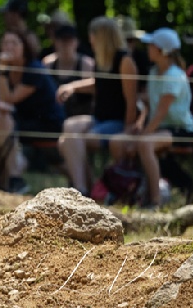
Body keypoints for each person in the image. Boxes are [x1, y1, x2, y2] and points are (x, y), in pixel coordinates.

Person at [109, 28, 193, 207]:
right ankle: (128, 190)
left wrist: (141, 137)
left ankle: (155, 201)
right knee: (117, 141)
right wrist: (139, 124)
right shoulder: (154, 72)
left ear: (162, 50)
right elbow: (150, 107)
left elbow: (161, 112)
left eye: (151, 46)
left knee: (145, 144)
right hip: (159, 129)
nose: (147, 49)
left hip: (181, 130)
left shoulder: (174, 76)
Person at [55, 17, 140, 196]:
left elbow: (132, 100)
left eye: (92, 35)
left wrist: (128, 131)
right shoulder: (101, 59)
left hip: (118, 122)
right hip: (99, 119)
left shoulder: (124, 61)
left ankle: (83, 189)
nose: (90, 40)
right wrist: (73, 87)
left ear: (101, 36)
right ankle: (87, 188)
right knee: (69, 128)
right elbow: (100, 84)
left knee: (68, 143)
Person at [0, 28, 65, 193]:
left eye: (14, 43)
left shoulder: (33, 69)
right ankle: (6, 181)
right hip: (24, 121)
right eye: (5, 43)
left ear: (24, 46)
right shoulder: (8, 69)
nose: (9, 47)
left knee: (3, 121)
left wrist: (2, 71)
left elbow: (9, 99)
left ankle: (13, 178)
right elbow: (3, 100)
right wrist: (3, 71)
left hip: (47, 123)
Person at [42, 23, 95, 118]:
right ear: (55, 42)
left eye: (69, 40)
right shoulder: (48, 63)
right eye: (62, 40)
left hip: (81, 115)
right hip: (54, 115)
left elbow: (96, 87)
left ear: (77, 42)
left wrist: (73, 87)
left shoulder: (87, 64)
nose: (66, 44)